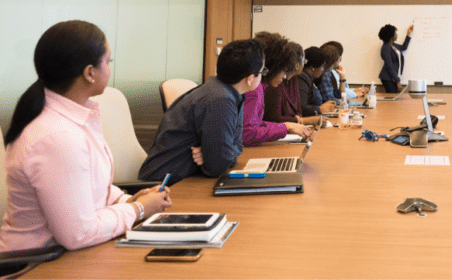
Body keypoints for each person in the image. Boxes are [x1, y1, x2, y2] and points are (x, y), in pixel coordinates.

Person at [0, 20, 171, 251]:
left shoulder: (73, 119)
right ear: (90, 73)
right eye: (108, 62)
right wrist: (138, 209)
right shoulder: (58, 137)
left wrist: (127, 200)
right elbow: (79, 234)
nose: (110, 68)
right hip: (37, 265)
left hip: (67, 255)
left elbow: (91, 187)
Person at [138, 39, 264, 185]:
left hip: (185, 178)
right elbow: (217, 167)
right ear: (250, 79)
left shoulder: (228, 93)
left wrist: (215, 154)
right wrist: (218, 156)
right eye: (263, 71)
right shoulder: (220, 100)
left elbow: (237, 147)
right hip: (164, 186)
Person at [242, 32, 311, 146]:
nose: (284, 76)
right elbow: (247, 133)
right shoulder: (253, 88)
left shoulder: (259, 85)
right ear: (272, 67)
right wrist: (285, 127)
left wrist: (286, 126)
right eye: (282, 70)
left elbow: (255, 124)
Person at [264, 43, 323, 126]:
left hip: (293, 128)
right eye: (304, 62)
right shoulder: (276, 82)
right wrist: (301, 120)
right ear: (297, 65)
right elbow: (275, 118)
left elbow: (298, 109)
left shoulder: (294, 79)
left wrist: (299, 119)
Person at [298, 46, 336, 116]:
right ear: (312, 67)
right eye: (322, 66)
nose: (323, 69)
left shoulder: (309, 78)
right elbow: (301, 107)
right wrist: (320, 109)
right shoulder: (302, 79)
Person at [378, 23, 413, 93]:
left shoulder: (393, 45)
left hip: (392, 77)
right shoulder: (386, 48)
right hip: (387, 78)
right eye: (395, 33)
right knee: (392, 98)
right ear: (391, 37)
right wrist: (398, 81)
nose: (396, 35)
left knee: (394, 98)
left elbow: (403, 47)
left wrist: (408, 33)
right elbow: (389, 66)